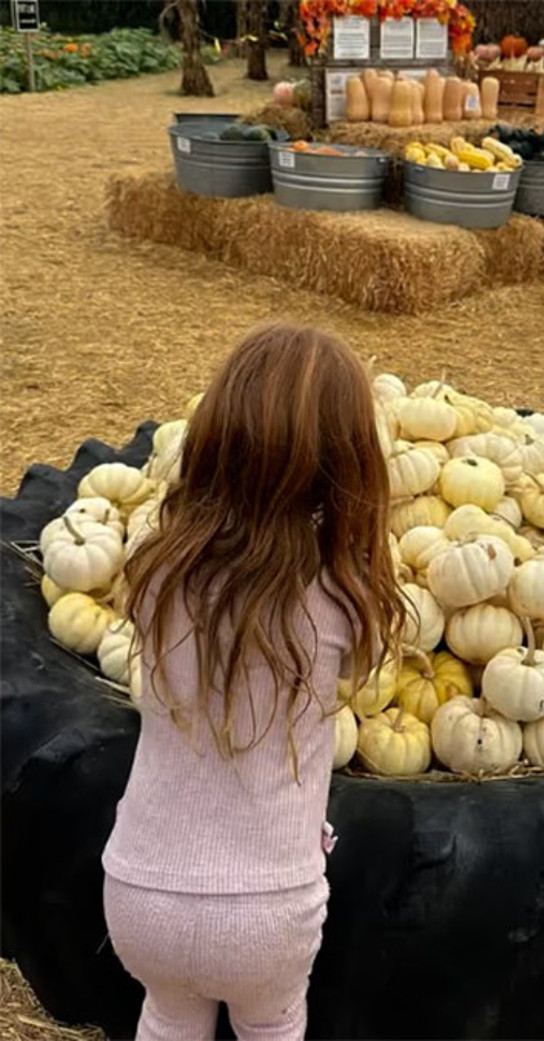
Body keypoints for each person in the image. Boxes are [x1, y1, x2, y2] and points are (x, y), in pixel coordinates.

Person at [102, 323, 403, 1041]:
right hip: (269, 908)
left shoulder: (156, 572)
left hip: (139, 889)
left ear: (212, 438)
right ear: (349, 463)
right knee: (273, 1025)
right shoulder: (341, 597)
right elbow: (356, 671)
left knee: (168, 1015)